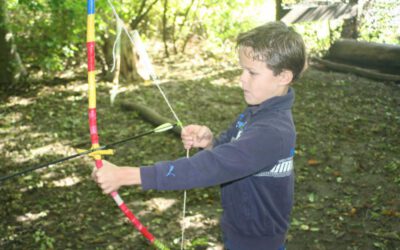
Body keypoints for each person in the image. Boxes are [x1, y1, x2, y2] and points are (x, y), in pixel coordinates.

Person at [92, 21, 307, 250]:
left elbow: (211, 167)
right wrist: (210, 143)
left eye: (252, 72)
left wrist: (126, 175)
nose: (242, 79)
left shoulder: (273, 131)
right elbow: (229, 154)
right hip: (240, 232)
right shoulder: (258, 112)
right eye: (242, 70)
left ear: (283, 76)